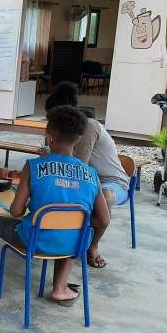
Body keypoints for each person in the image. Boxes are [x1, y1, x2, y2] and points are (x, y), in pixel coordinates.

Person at [0, 106, 110, 306]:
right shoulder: (91, 174)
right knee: (71, 232)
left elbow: (16, 211)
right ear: (79, 138)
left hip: (35, 240)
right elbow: (103, 220)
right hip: (76, 244)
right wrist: (74, 222)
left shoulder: (34, 166)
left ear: (49, 134)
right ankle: (60, 288)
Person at [45, 88, 126, 269]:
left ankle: (92, 246)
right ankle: (65, 235)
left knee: (103, 196)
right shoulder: (66, 132)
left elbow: (76, 166)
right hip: (88, 179)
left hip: (112, 183)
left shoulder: (88, 127)